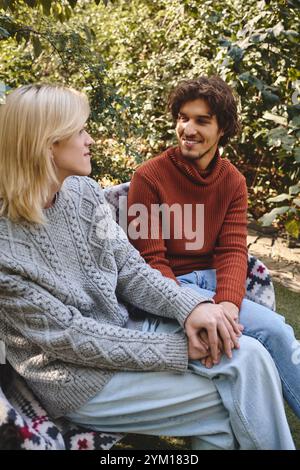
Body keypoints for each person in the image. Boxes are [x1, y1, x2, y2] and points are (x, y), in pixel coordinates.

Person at [0, 84, 295, 450]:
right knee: (236, 398)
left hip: (124, 327)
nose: (90, 139)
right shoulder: (5, 247)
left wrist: (193, 307)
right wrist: (175, 348)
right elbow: (71, 338)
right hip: (75, 379)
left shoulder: (83, 192)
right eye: (80, 131)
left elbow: (130, 267)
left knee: (250, 354)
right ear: (47, 144)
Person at [127, 76, 300, 418]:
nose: (188, 129)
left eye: (202, 120)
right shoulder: (148, 177)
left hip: (213, 282)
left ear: (223, 129)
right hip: (171, 285)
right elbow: (150, 260)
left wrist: (228, 306)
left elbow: (232, 251)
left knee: (278, 331)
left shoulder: (233, 181)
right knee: (250, 344)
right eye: (183, 118)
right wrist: (189, 306)